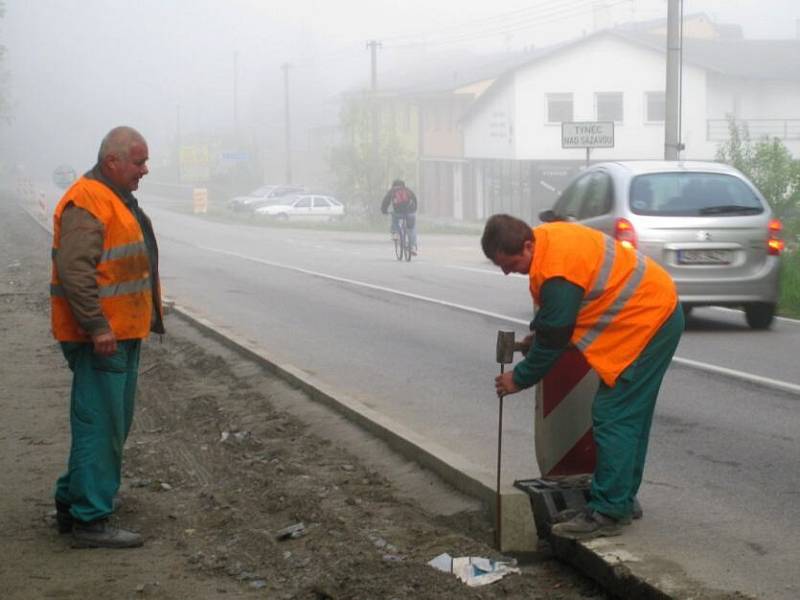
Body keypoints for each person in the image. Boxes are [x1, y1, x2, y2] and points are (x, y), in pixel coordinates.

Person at [481, 214, 683, 540]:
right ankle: (620, 499)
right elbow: (560, 318)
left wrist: (518, 378)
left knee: (614, 415)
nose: (507, 272)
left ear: (528, 244)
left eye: (511, 263)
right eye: (501, 266)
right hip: (652, 313)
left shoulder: (557, 269)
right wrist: (544, 332)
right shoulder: (546, 241)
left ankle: (608, 512)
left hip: (649, 322)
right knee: (629, 416)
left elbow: (556, 337)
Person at [50, 126, 165, 548]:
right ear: (112, 161)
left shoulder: (114, 198)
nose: (145, 170)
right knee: (100, 426)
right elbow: (75, 270)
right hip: (101, 337)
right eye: (138, 161)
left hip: (120, 333)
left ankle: (73, 501)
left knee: (109, 425)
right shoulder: (88, 200)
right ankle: (90, 520)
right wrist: (97, 326)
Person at [380, 179, 418, 255]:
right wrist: (414, 209)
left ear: (393, 185)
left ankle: (395, 233)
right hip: (410, 212)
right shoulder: (408, 190)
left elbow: (386, 201)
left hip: (398, 212)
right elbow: (415, 199)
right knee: (412, 228)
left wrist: (384, 211)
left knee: (394, 218)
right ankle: (413, 246)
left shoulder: (392, 191)